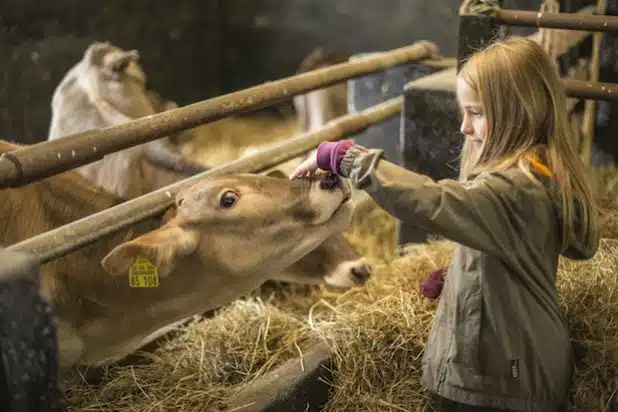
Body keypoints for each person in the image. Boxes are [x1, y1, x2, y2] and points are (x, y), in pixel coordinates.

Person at [289, 36, 599, 412]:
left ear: (518, 111)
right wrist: (463, 274)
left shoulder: (516, 188)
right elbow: (513, 245)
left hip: (501, 378)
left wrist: (346, 157)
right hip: (513, 367)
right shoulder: (540, 172)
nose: (465, 128)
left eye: (477, 112)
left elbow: (431, 202)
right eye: (463, 112)